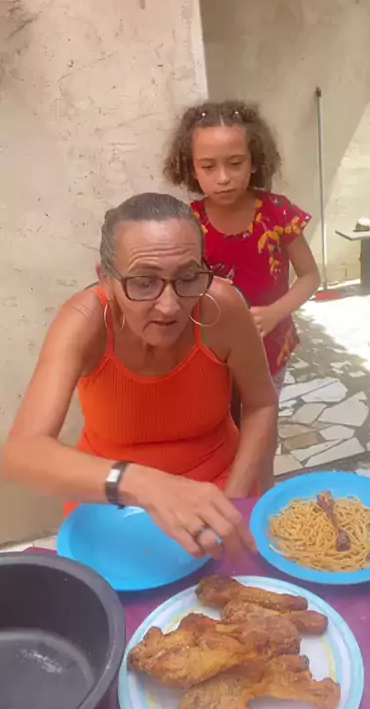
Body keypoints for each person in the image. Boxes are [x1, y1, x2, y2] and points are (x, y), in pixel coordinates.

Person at [2, 193, 278, 560]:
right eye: (144, 282)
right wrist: (143, 483)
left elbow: (261, 404)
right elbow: (22, 453)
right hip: (110, 502)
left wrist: (235, 499)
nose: (169, 306)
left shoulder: (221, 307)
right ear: (106, 279)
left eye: (188, 277)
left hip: (218, 488)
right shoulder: (85, 321)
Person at [164, 100, 320, 397]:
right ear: (191, 168)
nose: (223, 177)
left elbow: (310, 277)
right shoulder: (187, 224)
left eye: (235, 163)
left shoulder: (278, 214)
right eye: (208, 166)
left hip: (269, 348)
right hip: (209, 352)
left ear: (255, 161)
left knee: (263, 414)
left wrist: (275, 312)